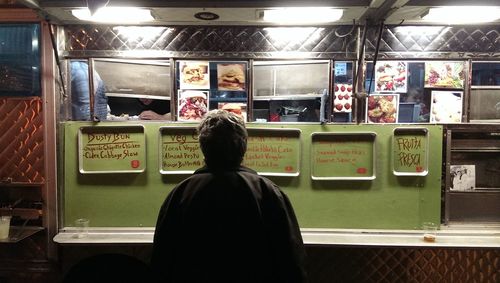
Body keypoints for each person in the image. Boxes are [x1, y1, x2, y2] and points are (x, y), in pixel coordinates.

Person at [151, 110, 307, 282]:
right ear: (243, 146)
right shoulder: (268, 192)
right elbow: (291, 259)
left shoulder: (179, 194)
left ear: (203, 147)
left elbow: (161, 259)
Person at [107, 97, 171, 120]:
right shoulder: (132, 101)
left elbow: (179, 116)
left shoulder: (166, 100)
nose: (142, 99)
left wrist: (160, 117)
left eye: (145, 93)